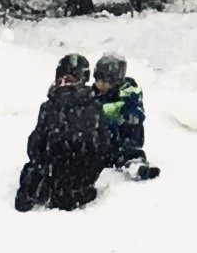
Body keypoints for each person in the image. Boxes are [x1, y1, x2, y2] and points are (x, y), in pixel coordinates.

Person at [15, 53, 110, 212]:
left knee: (38, 165)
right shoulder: (94, 105)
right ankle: (73, 189)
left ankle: (43, 186)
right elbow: (104, 145)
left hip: (55, 170)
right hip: (81, 175)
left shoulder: (50, 106)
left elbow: (35, 145)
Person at [93, 52, 161, 182]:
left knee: (126, 141)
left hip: (122, 138)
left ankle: (134, 163)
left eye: (105, 82)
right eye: (97, 79)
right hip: (100, 143)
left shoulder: (129, 93)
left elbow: (135, 114)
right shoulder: (92, 94)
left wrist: (115, 116)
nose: (100, 84)